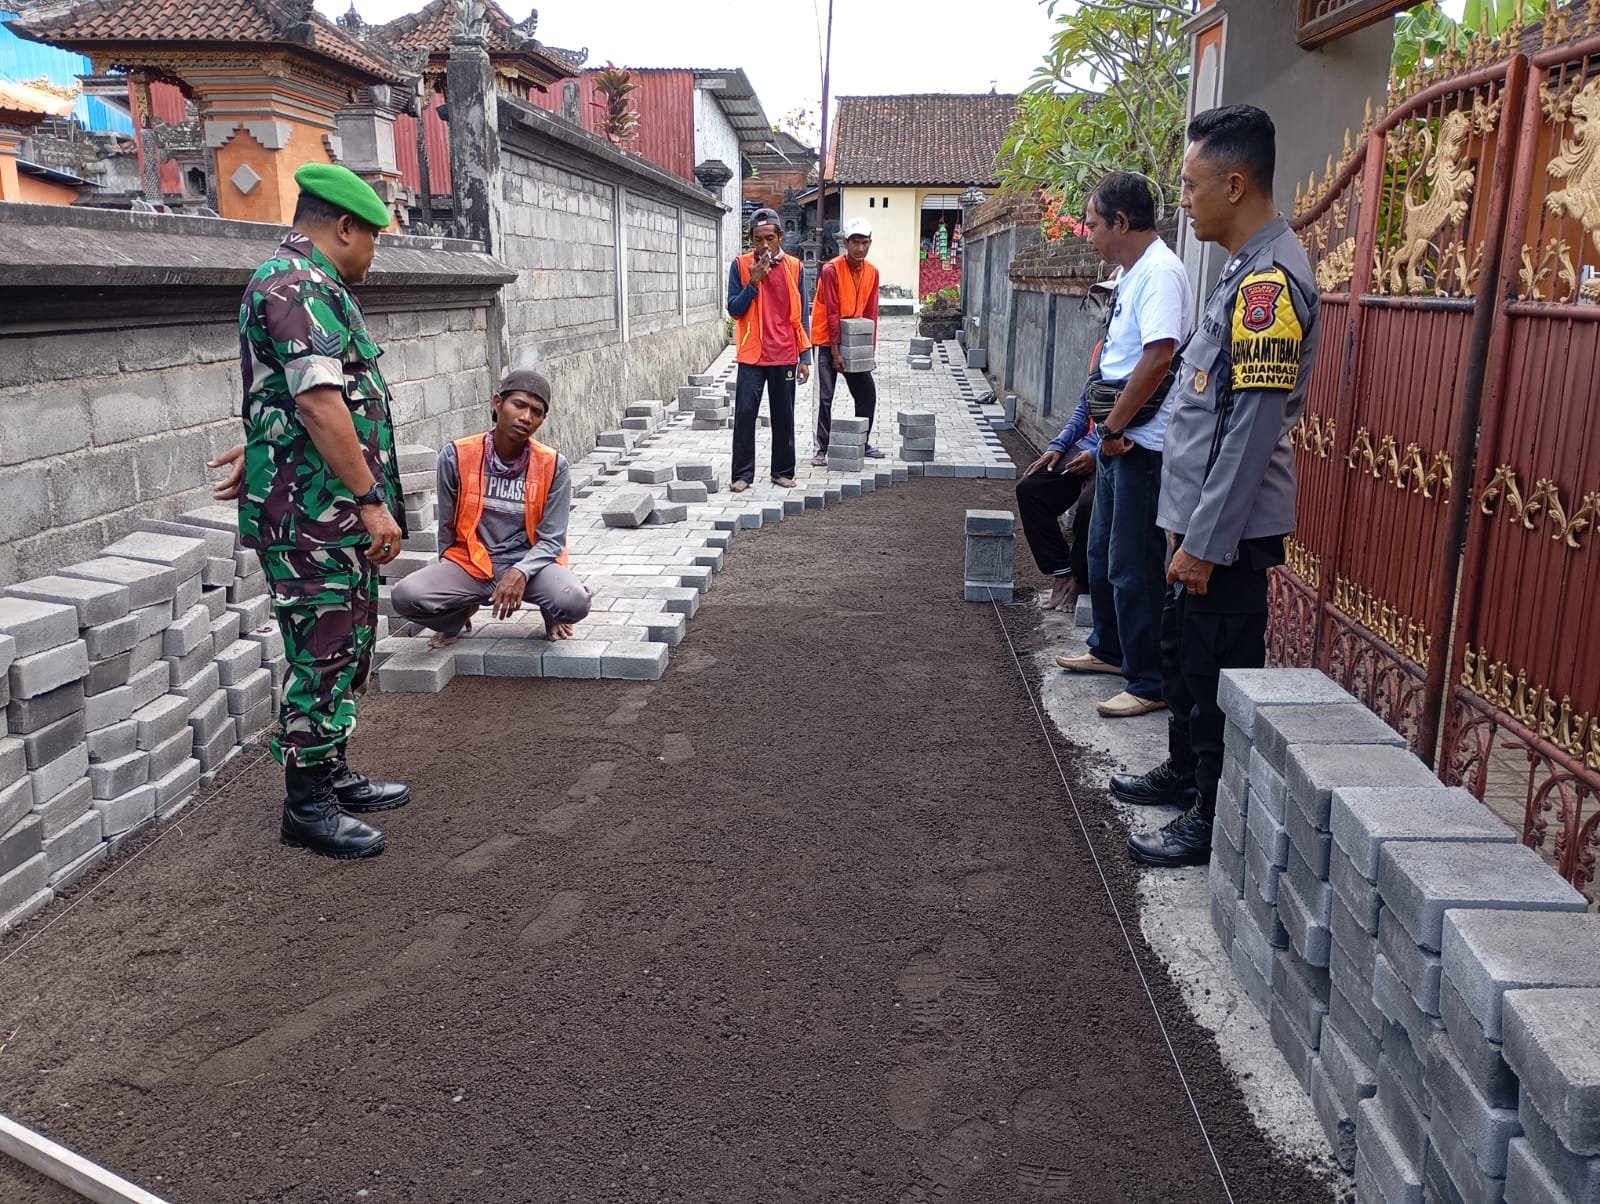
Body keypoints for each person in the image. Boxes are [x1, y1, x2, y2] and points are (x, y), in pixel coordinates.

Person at [1121, 105, 1321, 868]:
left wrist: (1204, 544)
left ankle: (1210, 815)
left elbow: (1249, 435)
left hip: (1228, 539)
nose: (1185, 201)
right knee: (1182, 659)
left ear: (1235, 185)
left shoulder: (1270, 285)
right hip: (1200, 524)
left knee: (1214, 676)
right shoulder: (1241, 272)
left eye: (1193, 185)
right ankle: (1182, 775)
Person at [232, 162, 409, 861]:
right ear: (343, 227)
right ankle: (306, 806)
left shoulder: (309, 284)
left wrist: (259, 445)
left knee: (348, 642)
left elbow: (285, 394)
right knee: (322, 649)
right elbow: (316, 401)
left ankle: (329, 770)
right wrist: (370, 503)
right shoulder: (297, 286)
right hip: (317, 517)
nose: (374, 252)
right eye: (373, 238)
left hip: (320, 507)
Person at [1054, 173, 1193, 719]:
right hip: (1122, 437)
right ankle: (1110, 650)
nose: (1087, 234)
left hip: (1142, 441)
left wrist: (1114, 428)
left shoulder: (1160, 273)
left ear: (1122, 223)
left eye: (1092, 224)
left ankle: (1149, 678)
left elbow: (1159, 357)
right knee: (1102, 550)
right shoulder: (1132, 271)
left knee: (1133, 562)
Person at [389, 368, 591, 645]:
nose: (526, 417)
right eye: (518, 405)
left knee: (575, 602)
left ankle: (551, 613)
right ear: (497, 402)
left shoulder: (554, 465)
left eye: (537, 411)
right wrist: (450, 595)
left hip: (530, 566)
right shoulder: (456, 455)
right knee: (405, 597)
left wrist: (520, 571)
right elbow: (446, 528)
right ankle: (457, 617)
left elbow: (552, 540)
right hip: (472, 563)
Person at [727, 208, 812, 491]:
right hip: (752, 354)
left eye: (770, 238)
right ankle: (741, 475)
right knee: (745, 415)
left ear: (780, 237)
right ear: (751, 239)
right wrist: (753, 282)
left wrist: (804, 356)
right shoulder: (740, 266)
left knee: (784, 416)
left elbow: (802, 316)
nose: (764, 245)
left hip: (784, 353)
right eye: (758, 239)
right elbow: (734, 310)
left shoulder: (795, 267)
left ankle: (783, 471)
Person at [808, 216, 883, 466]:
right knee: (825, 397)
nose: (860, 248)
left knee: (866, 394)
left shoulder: (872, 272)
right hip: (828, 340)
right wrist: (836, 352)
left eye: (864, 243)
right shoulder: (831, 270)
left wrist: (868, 352)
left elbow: (871, 314)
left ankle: (862, 441)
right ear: (846, 243)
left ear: (870, 243)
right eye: (855, 243)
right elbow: (832, 312)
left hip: (853, 342)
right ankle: (823, 447)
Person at [1016, 387, 1097, 611]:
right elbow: (1083, 409)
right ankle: (1062, 573)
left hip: (1124, 451)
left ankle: (1082, 580)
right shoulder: (1103, 352)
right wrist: (1057, 446)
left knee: (1090, 506)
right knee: (1031, 489)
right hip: (1089, 445)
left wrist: (1098, 455)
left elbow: (1145, 425)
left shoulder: (1154, 360)